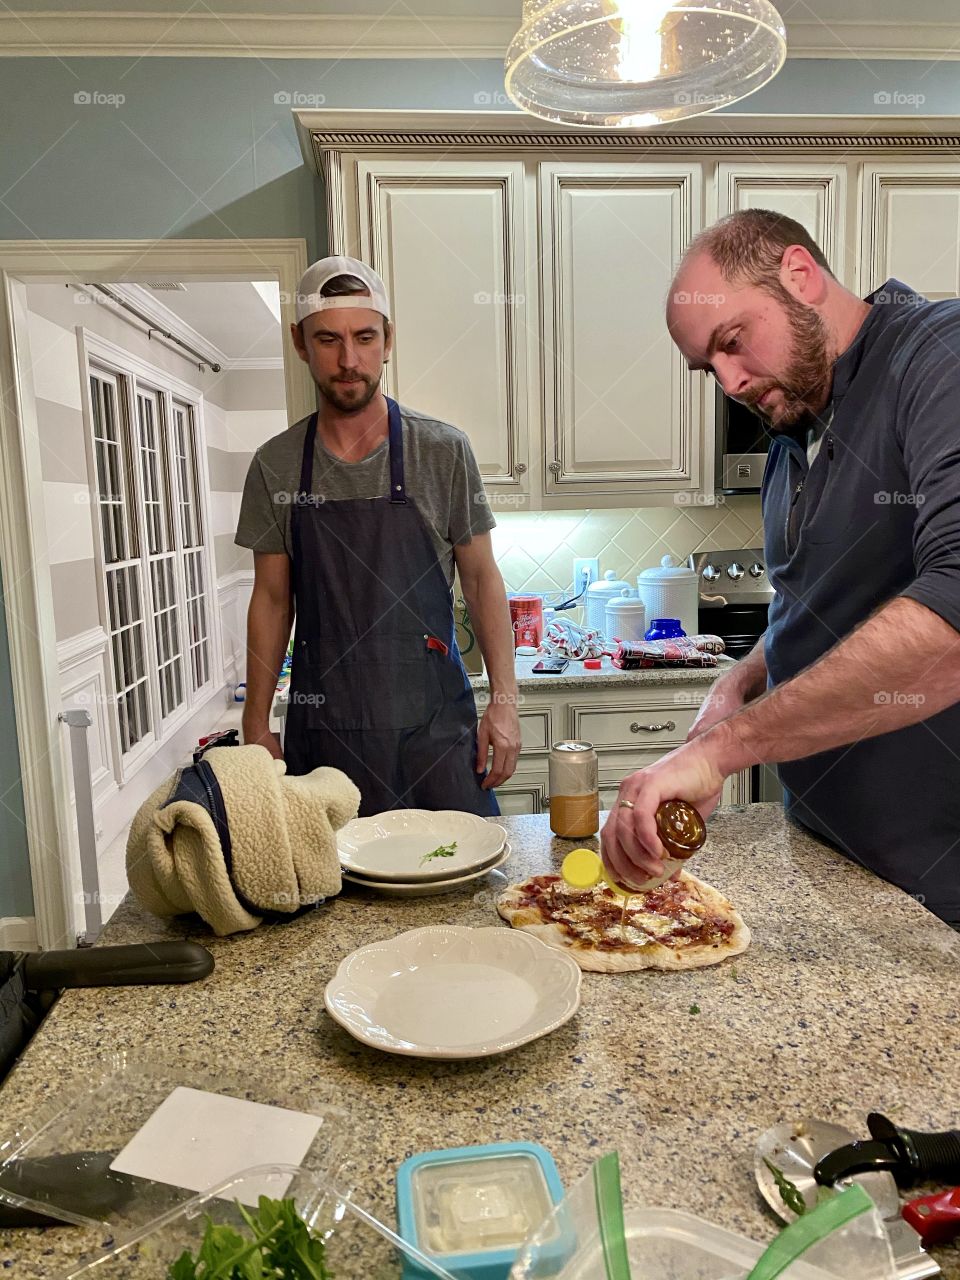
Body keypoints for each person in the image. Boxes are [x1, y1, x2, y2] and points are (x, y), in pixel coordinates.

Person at [602, 209, 960, 925]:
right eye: (710, 368)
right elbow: (816, 604)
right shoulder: (795, 431)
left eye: (733, 342)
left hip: (935, 890)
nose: (730, 381)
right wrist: (739, 682)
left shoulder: (937, 355)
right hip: (827, 855)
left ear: (799, 274)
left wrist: (725, 753)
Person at [235, 255, 520, 817]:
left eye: (364, 337)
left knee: (459, 883)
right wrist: (255, 723)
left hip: (436, 732)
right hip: (326, 738)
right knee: (333, 895)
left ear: (388, 339)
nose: (348, 361)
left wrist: (505, 704)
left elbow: (483, 579)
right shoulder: (276, 465)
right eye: (328, 340)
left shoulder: (443, 451)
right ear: (299, 344)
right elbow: (271, 600)